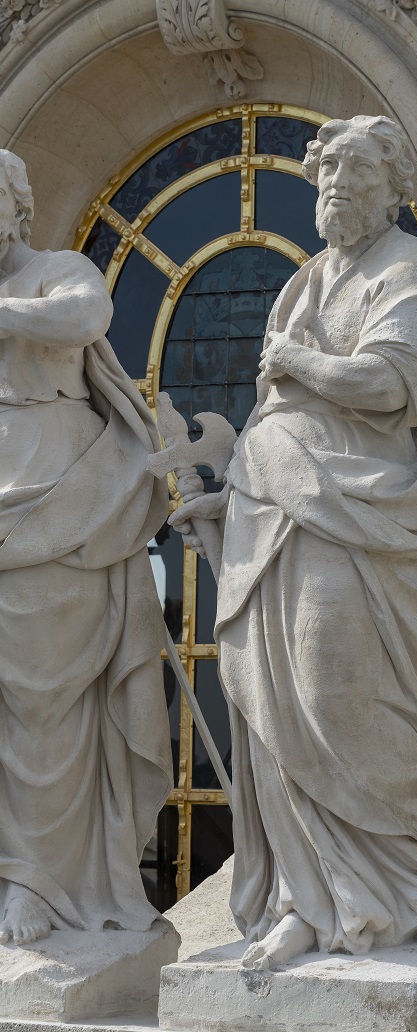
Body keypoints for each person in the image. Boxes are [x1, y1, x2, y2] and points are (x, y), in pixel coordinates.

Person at [171, 115, 417, 969]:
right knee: (268, 709)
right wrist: (228, 504)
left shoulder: (415, 269)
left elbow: (393, 384)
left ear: (394, 188)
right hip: (272, 504)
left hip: (361, 511)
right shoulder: (304, 281)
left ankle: (416, 884)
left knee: (338, 693)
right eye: (325, 172)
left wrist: (299, 364)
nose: (334, 186)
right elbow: (272, 413)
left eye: (352, 171)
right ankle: (305, 906)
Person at [0, 151, 172, 945]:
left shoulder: (55, 270)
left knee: (47, 706)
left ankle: (42, 882)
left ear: (16, 210)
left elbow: (86, 317)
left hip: (58, 497)